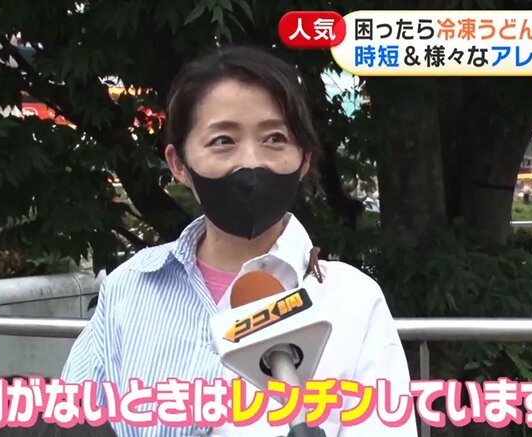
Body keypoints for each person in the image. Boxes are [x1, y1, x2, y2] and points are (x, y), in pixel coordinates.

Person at [61, 45, 417, 437]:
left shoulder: (352, 300)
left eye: (275, 138)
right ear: (179, 163)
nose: (251, 162)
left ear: (305, 159)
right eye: (223, 141)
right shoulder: (130, 288)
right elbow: (74, 419)